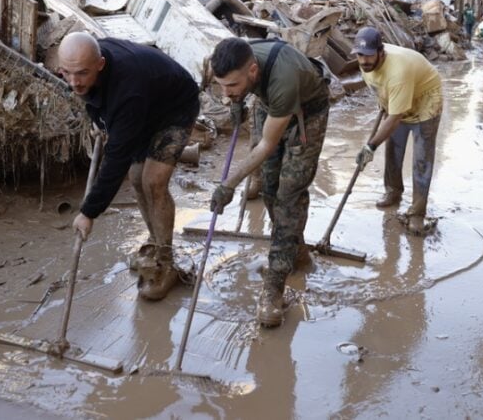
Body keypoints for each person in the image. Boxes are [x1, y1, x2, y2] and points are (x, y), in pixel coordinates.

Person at [57, 32, 200, 301]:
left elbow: (116, 160)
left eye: (82, 74)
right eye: (67, 73)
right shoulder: (85, 66)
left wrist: (89, 212)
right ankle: (155, 243)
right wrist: (101, 122)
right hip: (145, 106)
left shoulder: (128, 90)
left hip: (175, 107)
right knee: (136, 178)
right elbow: (92, 96)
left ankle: (166, 262)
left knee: (153, 182)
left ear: (100, 65)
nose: (74, 82)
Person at [208, 38, 329, 328]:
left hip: (307, 113)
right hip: (268, 104)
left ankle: (274, 288)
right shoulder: (234, 61)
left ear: (252, 71)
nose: (226, 92)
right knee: (270, 190)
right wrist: (234, 101)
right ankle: (295, 251)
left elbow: (264, 146)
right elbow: (231, 86)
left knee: (289, 194)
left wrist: (229, 184)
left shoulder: (284, 79)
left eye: (232, 86)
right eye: (221, 86)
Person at [351, 27, 443, 235]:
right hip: (398, 98)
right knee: (393, 149)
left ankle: (417, 213)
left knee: (422, 158)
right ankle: (393, 192)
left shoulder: (398, 71)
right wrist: (385, 103)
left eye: (369, 56)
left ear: (381, 53)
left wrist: (370, 146)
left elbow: (394, 119)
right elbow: (381, 89)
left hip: (425, 99)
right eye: (360, 55)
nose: (364, 61)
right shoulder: (366, 65)